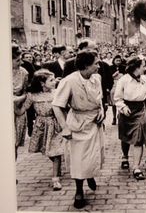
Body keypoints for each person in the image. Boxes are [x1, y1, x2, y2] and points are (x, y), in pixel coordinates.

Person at [52, 50, 105, 209]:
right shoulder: (69, 81)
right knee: (79, 159)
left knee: (95, 153)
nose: (98, 65)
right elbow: (56, 105)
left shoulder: (97, 77)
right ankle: (79, 190)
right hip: (78, 123)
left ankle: (89, 175)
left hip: (95, 122)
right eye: (96, 63)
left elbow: (99, 98)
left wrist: (101, 110)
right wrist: (65, 127)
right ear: (86, 66)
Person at [14, 69, 65, 190]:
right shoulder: (32, 95)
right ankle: (56, 167)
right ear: (42, 83)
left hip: (55, 124)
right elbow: (21, 110)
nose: (54, 82)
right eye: (51, 80)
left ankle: (55, 180)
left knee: (56, 152)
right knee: (48, 151)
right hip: (41, 126)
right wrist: (13, 103)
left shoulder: (57, 92)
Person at [114, 57, 146, 180]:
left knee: (139, 138)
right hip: (126, 109)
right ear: (136, 67)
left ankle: (136, 167)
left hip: (140, 109)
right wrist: (123, 107)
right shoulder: (124, 80)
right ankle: (125, 156)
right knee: (125, 136)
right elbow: (117, 97)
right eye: (143, 66)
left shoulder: (145, 80)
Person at [12, 45, 29, 163]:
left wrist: (18, 100)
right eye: (17, 60)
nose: (21, 62)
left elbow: (26, 93)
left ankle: (12, 172)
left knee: (14, 143)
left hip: (17, 112)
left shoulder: (24, 73)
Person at [109, 55, 126, 125]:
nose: (118, 62)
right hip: (114, 85)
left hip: (122, 86)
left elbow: (125, 76)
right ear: (114, 61)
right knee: (114, 103)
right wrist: (114, 75)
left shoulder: (123, 67)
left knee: (121, 101)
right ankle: (114, 117)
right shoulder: (110, 67)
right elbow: (109, 77)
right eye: (117, 60)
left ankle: (119, 116)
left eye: (119, 60)